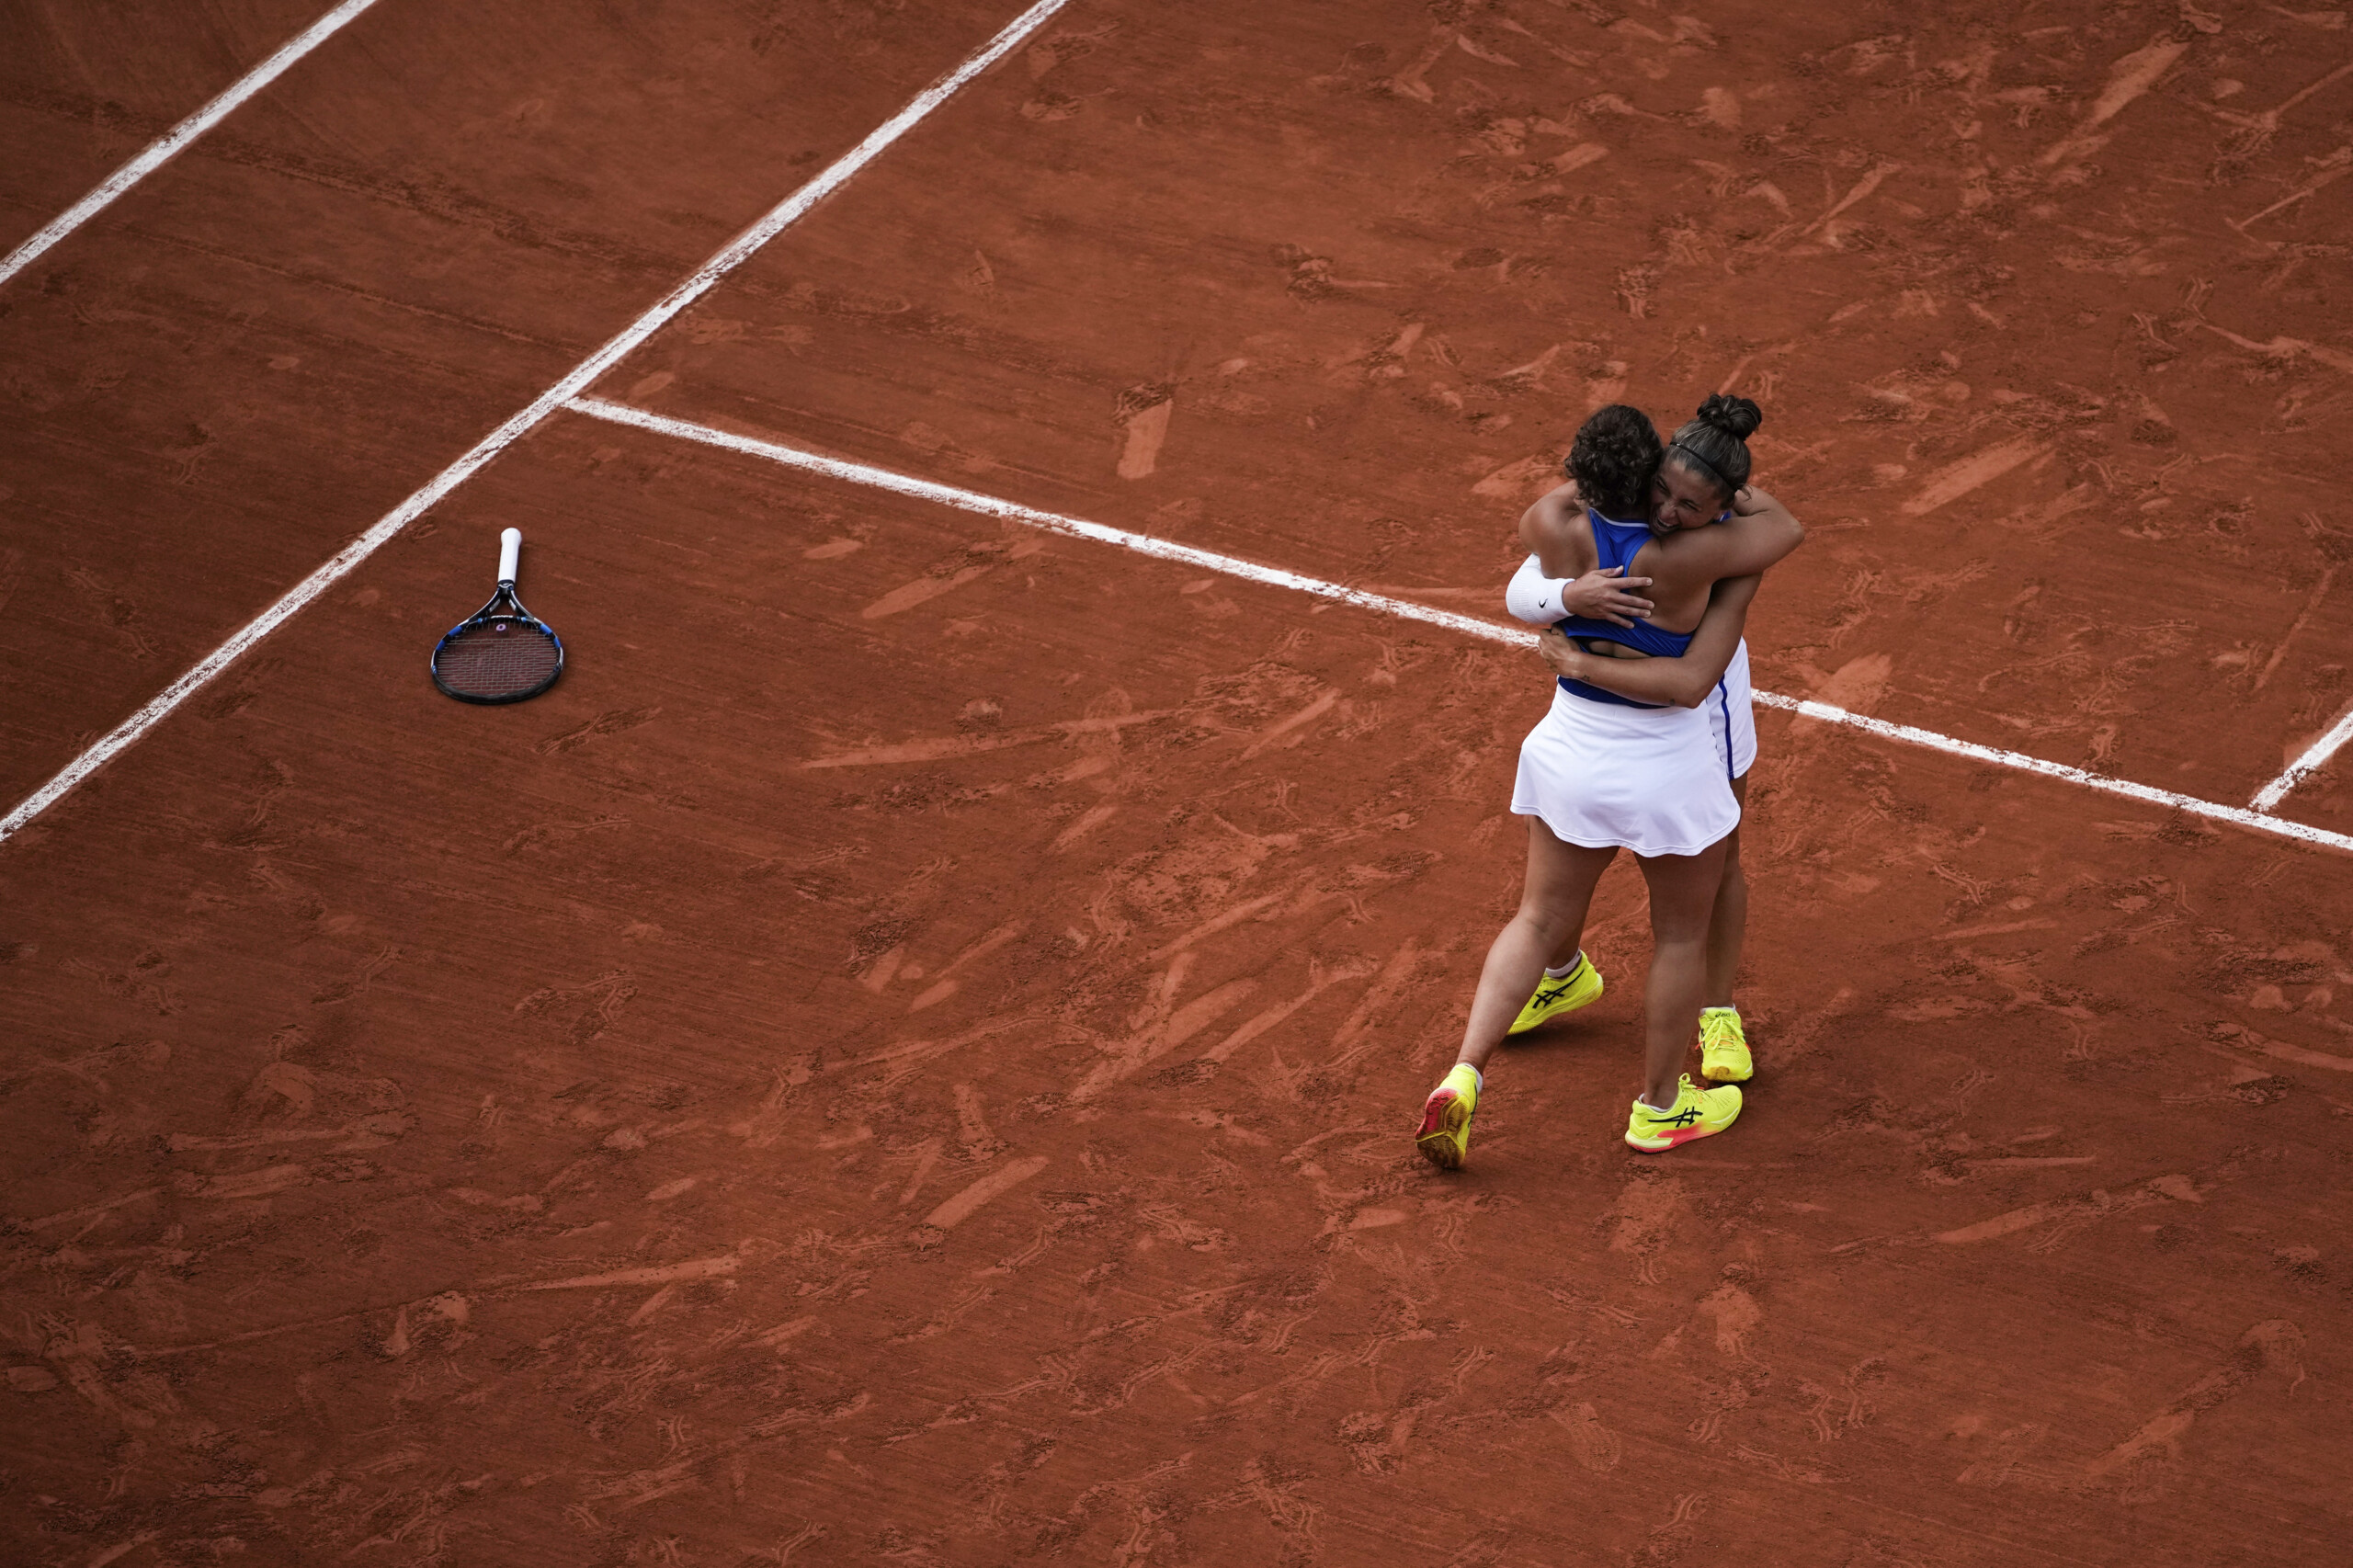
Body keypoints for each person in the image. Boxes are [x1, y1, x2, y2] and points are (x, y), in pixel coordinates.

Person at [1415, 397, 1802, 1164]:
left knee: (1536, 920)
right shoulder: (1707, 556)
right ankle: (1659, 1107)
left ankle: (1462, 1075)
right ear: (1651, 470)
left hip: (1569, 753)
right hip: (1667, 770)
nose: (1669, 510)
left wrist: (1569, 618)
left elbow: (1533, 561)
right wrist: (1726, 493)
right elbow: (1773, 548)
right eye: (1664, 492)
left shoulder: (1555, 528)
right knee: (1680, 936)